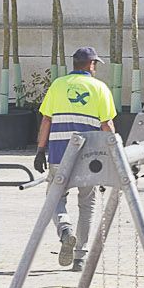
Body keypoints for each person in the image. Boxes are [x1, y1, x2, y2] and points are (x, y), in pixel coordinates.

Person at [37, 48, 119, 268]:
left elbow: (46, 119)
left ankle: (65, 230)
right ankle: (80, 257)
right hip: (89, 158)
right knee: (87, 204)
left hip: (58, 154)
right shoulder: (99, 88)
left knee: (55, 197)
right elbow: (106, 125)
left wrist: (39, 150)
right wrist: (114, 154)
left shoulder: (58, 85)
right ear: (91, 65)